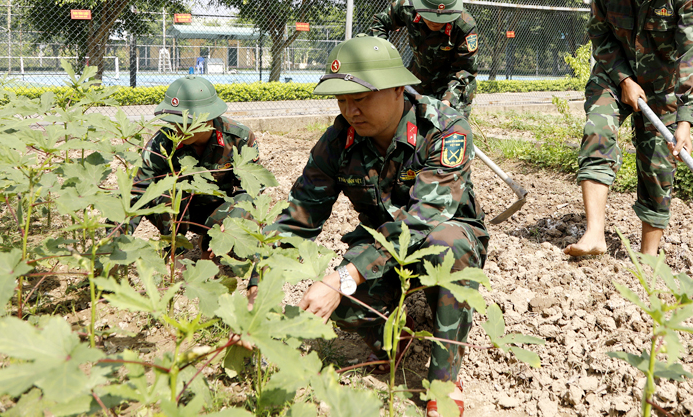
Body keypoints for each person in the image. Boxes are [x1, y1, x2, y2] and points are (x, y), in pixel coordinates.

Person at [255, 34, 487, 417]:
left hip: (441, 237)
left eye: (360, 99)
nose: (350, 110)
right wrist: (255, 288)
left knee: (448, 243)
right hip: (380, 246)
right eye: (342, 100)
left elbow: (423, 219)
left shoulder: (444, 129)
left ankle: (444, 379)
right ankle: (399, 330)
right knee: (336, 305)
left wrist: (344, 276)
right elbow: (300, 216)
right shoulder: (338, 141)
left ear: (398, 88)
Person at [565, 0, 693, 258]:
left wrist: (685, 121)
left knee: (658, 162)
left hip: (664, 85)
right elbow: (599, 35)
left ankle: (648, 255)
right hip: (615, 74)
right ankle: (595, 234)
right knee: (597, 130)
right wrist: (624, 79)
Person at [127, 75, 260, 260]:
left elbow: (251, 191)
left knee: (245, 231)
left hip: (218, 209)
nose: (177, 127)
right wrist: (112, 245)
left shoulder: (239, 138)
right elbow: (136, 192)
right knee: (164, 193)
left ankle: (209, 243)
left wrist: (234, 222)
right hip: (176, 212)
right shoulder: (162, 142)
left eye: (185, 121)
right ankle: (174, 251)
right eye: (173, 120)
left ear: (209, 117)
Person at [367, 0, 479, 117]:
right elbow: (380, 22)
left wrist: (448, 100)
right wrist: (382, 55)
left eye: (442, 20)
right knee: (409, 128)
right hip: (418, 81)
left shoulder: (465, 26)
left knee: (450, 132)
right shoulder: (407, 7)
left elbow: (465, 70)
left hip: (453, 87)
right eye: (431, 18)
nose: (436, 23)